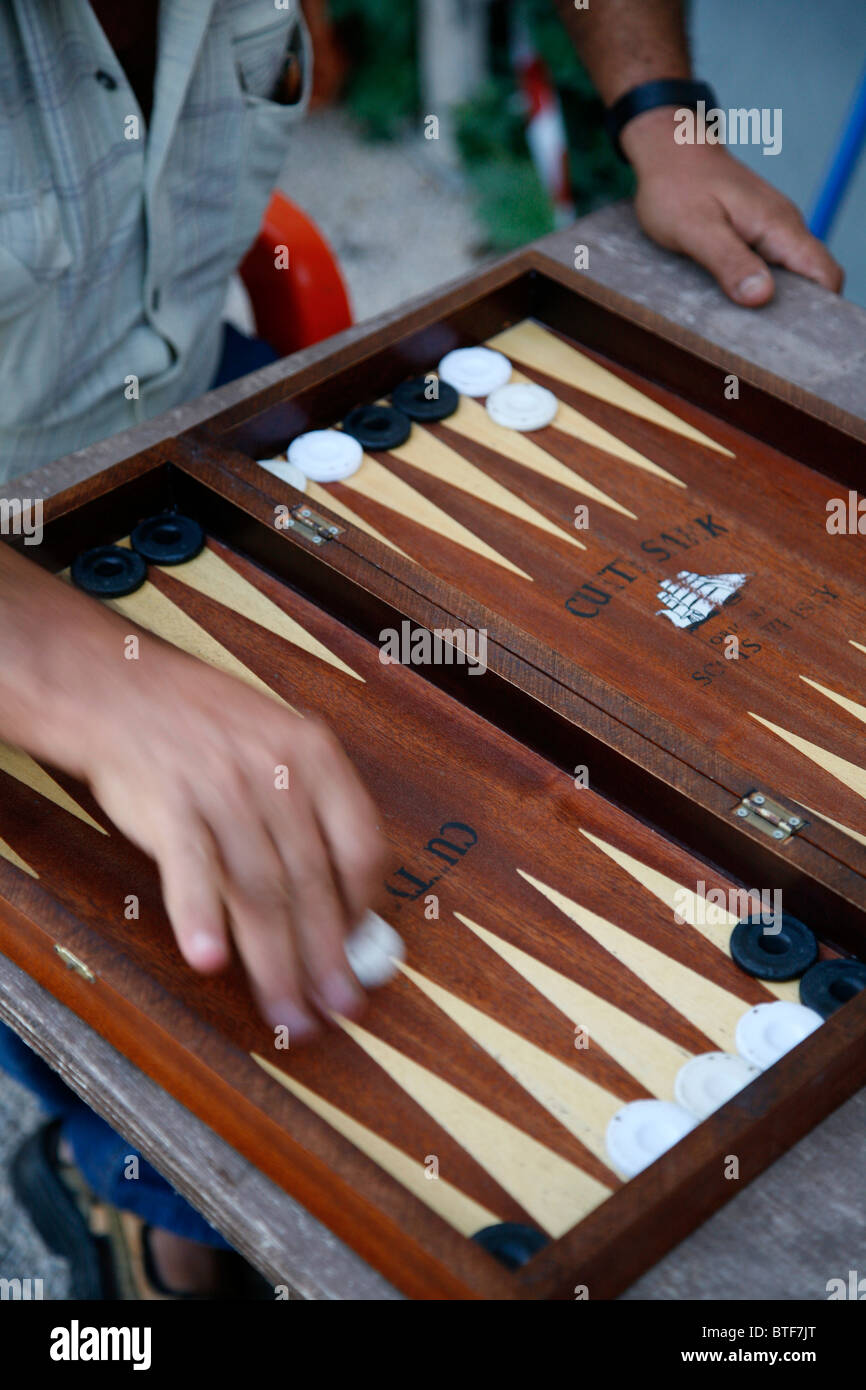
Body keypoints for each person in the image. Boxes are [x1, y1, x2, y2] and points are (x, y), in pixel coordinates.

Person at [0, 0, 845, 1298]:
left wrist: (656, 114)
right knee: (217, 986)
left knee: (425, 807)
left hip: (176, 416)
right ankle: (138, 1225)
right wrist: (62, 668)